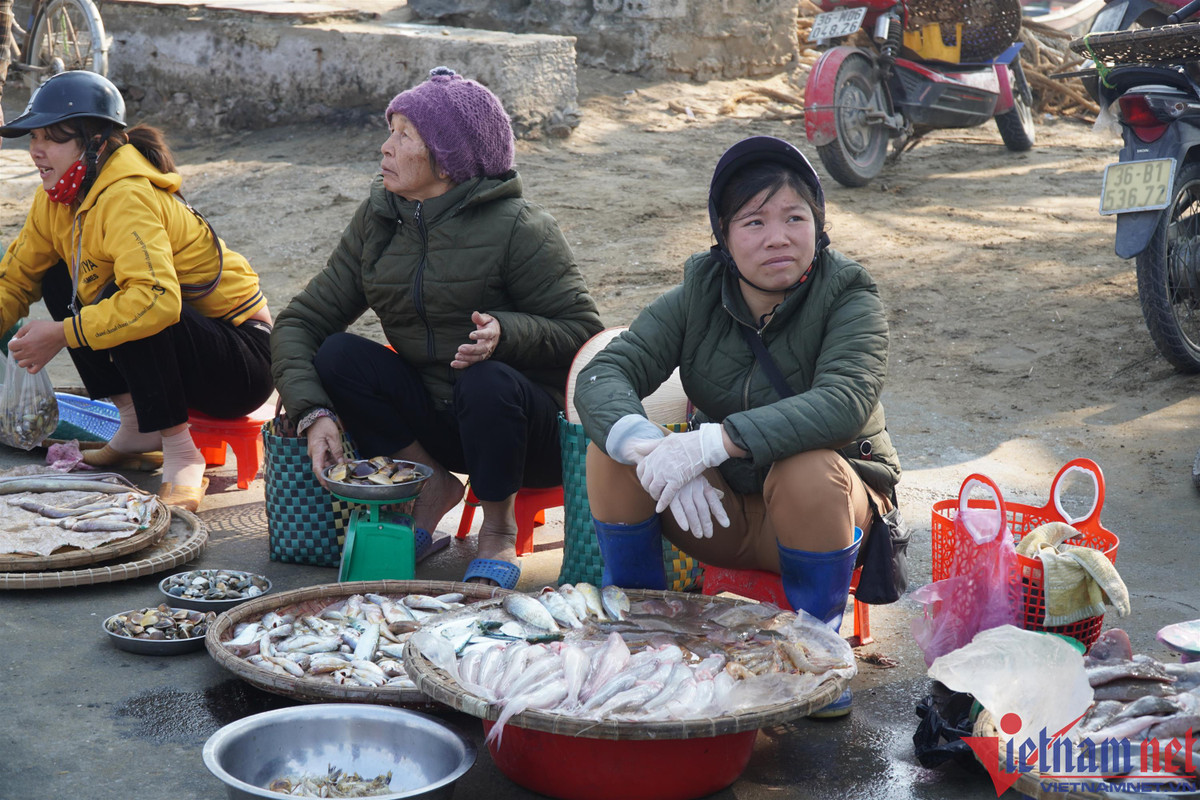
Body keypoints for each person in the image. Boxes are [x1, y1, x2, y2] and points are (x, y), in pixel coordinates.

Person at [574, 135, 901, 716]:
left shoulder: (849, 294)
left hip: (820, 516)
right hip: (720, 511)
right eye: (753, 221)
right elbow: (605, 372)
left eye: (794, 217)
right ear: (723, 237)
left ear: (818, 226)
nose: (778, 236)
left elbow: (844, 401)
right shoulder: (699, 291)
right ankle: (643, 628)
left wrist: (710, 442)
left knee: (809, 468)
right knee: (611, 451)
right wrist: (651, 449)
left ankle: (818, 657)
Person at [270, 67, 603, 589]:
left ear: (446, 160)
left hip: (521, 435)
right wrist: (312, 411)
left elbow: (587, 337)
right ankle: (431, 486)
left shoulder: (520, 227)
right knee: (337, 354)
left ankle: (499, 531)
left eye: (404, 135)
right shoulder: (379, 221)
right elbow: (300, 321)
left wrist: (506, 333)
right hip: (437, 424)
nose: (385, 147)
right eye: (391, 130)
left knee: (484, 377)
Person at [0, 71, 274, 511]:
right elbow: (14, 279)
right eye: (33, 136)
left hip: (243, 364)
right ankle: (136, 424)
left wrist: (62, 334)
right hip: (187, 354)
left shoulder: (127, 196)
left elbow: (157, 302)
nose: (36, 150)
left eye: (52, 138)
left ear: (96, 143)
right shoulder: (54, 200)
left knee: (131, 297)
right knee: (59, 275)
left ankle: (182, 452)